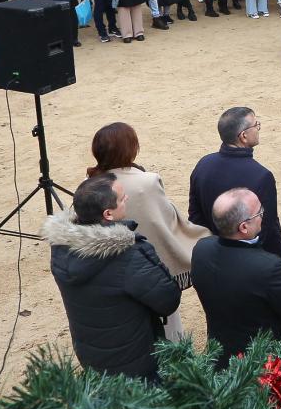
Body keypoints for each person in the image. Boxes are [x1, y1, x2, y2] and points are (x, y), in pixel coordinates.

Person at [42, 173, 180, 379]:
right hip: (135, 362)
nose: (127, 200)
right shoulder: (128, 255)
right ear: (108, 214)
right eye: (123, 199)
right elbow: (168, 300)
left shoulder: (61, 248)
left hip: (92, 354)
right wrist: (147, 254)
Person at [87, 121, 206, 339]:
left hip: (111, 271)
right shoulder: (147, 182)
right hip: (150, 267)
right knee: (168, 328)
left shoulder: (91, 184)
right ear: (131, 148)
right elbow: (166, 220)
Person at [190, 187, 281, 363]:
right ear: (244, 227)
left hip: (220, 354)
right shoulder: (268, 267)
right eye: (259, 212)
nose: (262, 215)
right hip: (263, 363)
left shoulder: (201, 249)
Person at [188, 107, 281, 266]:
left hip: (214, 256)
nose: (258, 128)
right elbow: (267, 228)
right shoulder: (261, 176)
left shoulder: (203, 165)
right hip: (250, 262)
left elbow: (195, 218)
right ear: (243, 136)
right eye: (256, 125)